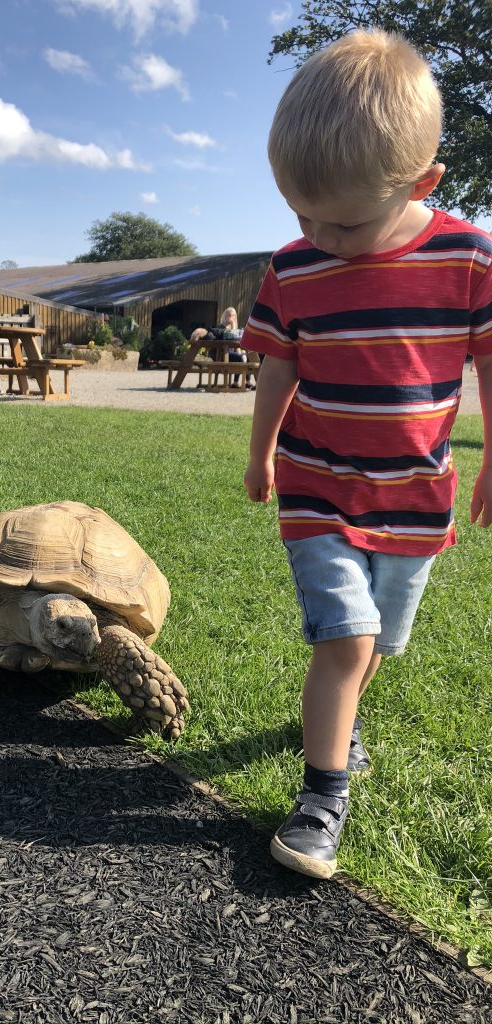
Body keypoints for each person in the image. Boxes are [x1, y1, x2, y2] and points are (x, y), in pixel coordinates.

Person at [240, 29, 492, 879]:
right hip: (317, 485)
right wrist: (262, 452)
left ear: (421, 183)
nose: (316, 233)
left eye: (340, 220)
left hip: (416, 497)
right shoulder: (295, 267)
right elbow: (280, 364)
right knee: (345, 641)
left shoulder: (468, 258)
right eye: (298, 213)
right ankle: (322, 796)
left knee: (377, 643)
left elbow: (489, 358)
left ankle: (337, 728)